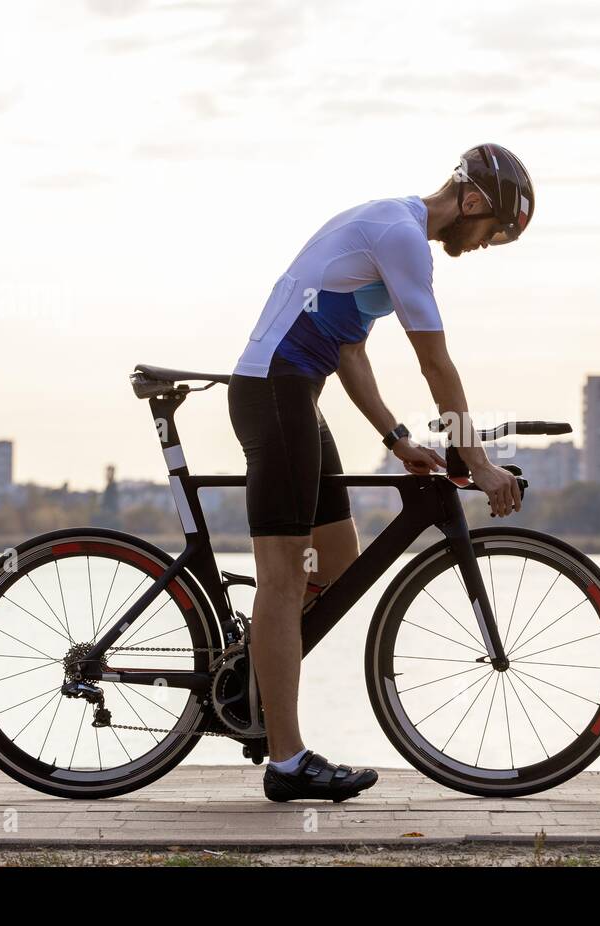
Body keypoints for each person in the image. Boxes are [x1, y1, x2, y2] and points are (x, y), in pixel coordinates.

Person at [227, 143, 535, 802]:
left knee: (336, 564)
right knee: (284, 577)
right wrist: (474, 460)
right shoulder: (402, 235)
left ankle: (250, 675)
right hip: (273, 394)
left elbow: (348, 351)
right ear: (474, 203)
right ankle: (286, 762)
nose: (486, 246)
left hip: (295, 392)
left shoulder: (392, 229)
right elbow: (436, 364)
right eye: (495, 234)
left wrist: (396, 438)